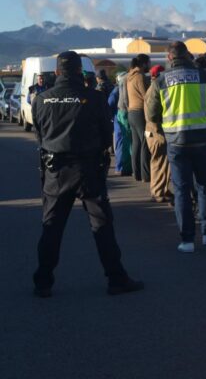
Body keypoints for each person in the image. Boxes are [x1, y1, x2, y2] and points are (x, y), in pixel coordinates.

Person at [31, 51, 143, 297]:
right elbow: (106, 134)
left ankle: (43, 281)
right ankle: (116, 278)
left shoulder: (42, 99)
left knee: (52, 226)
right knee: (102, 224)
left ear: (57, 72)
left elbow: (39, 135)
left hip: (55, 170)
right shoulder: (93, 97)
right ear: (80, 72)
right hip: (88, 168)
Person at [146, 41, 206, 252]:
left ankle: (187, 239)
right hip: (201, 139)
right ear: (187, 55)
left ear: (169, 57)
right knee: (205, 186)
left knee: (181, 190)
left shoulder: (160, 80)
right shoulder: (203, 76)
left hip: (176, 142)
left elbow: (151, 114)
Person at [144, 65, 172, 203]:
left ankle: (163, 189)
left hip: (153, 130)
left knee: (162, 162)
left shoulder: (152, 88)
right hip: (156, 131)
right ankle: (157, 192)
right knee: (159, 161)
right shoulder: (155, 89)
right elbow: (152, 114)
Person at [126, 54, 151, 182]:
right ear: (144, 64)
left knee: (136, 143)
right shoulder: (140, 77)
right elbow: (146, 95)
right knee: (145, 142)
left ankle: (137, 173)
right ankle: (146, 175)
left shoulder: (129, 77)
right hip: (140, 111)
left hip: (131, 112)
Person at [108, 72, 132, 176]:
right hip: (120, 118)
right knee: (122, 143)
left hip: (119, 118)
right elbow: (110, 105)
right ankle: (122, 167)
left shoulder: (117, 90)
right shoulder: (117, 90)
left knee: (122, 143)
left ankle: (123, 167)